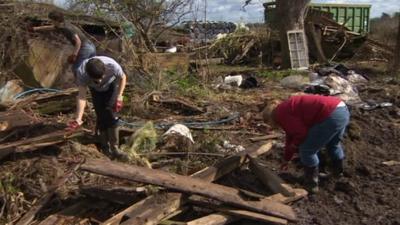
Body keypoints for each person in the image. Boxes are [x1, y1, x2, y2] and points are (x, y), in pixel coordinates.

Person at [262, 95, 350, 193]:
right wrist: (286, 159)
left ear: (270, 118)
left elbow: (301, 133)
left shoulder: (281, 114)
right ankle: (337, 174)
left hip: (330, 114)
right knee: (333, 145)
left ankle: (311, 184)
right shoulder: (285, 109)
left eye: (269, 123)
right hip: (341, 109)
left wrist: (296, 146)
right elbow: (290, 137)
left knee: (307, 150)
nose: (270, 127)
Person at [67, 56, 127, 160]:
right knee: (100, 114)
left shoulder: (112, 65)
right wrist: (78, 118)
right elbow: (81, 96)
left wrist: (120, 96)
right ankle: (104, 147)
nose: (99, 81)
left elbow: (123, 77)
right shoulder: (81, 73)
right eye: (96, 79)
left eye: (101, 77)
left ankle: (115, 148)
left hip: (110, 87)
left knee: (111, 113)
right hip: (96, 91)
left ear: (105, 69)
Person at [32, 10, 96, 75]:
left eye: (51, 20)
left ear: (56, 20)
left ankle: (83, 83)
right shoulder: (63, 25)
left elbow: (78, 42)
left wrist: (74, 55)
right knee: (92, 68)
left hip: (85, 48)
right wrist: (35, 28)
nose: (50, 22)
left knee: (76, 69)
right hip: (91, 46)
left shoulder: (67, 28)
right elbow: (50, 27)